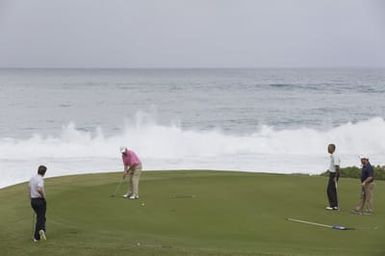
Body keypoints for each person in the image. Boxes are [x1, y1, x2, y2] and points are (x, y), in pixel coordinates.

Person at [29, 165, 48, 242]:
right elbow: (39, 189)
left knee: (41, 217)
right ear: (44, 173)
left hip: (33, 200)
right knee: (40, 218)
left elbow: (29, 188)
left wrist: (30, 198)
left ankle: (42, 230)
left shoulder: (32, 178)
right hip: (39, 200)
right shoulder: (40, 179)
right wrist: (43, 196)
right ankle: (36, 237)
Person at [326, 144, 340, 211]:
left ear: (333, 149)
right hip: (333, 173)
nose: (328, 149)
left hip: (334, 174)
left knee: (330, 190)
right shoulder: (332, 156)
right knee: (332, 190)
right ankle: (335, 206)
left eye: (329, 148)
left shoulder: (335, 156)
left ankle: (333, 205)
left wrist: (335, 176)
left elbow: (337, 167)